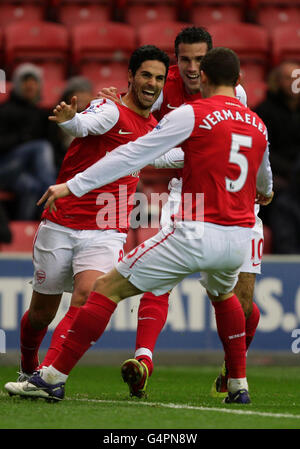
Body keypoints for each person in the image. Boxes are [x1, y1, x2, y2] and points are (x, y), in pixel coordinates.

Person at [5, 47, 273, 404]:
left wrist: (73, 184)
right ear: (239, 81)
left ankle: (52, 377)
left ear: (203, 79)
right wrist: (264, 193)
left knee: (104, 289)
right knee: (225, 297)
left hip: (194, 232)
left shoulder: (193, 112)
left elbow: (133, 154)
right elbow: (265, 181)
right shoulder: (257, 124)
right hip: (238, 237)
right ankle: (238, 384)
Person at [100, 26, 265, 399]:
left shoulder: (232, 91)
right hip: (185, 193)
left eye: (199, 59)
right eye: (185, 59)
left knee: (241, 300)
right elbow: (136, 117)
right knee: (160, 277)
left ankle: (232, 368)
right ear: (176, 60)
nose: (192, 68)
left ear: (210, 64)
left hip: (236, 198)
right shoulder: (162, 86)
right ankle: (144, 360)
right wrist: (116, 104)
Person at [11, 46, 181, 382]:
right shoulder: (109, 109)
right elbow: (84, 125)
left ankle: (47, 376)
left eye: (159, 77)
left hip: (106, 228)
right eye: (146, 74)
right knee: (40, 315)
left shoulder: (153, 129)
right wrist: (70, 120)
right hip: (62, 222)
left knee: (88, 297)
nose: (152, 83)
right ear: (130, 76)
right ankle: (28, 363)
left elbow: (167, 157)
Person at [0, 63, 59, 220]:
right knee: (41, 147)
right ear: (19, 84)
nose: (30, 85)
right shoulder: (5, 110)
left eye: (34, 81)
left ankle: (27, 229)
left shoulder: (42, 114)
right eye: (26, 81)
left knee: (31, 187)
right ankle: (53, 192)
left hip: (26, 173)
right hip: (6, 168)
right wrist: (21, 139)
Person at [255, 60, 300, 226]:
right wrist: (292, 171)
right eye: (289, 78)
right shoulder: (263, 111)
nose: (295, 83)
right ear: (277, 81)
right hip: (279, 176)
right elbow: (263, 152)